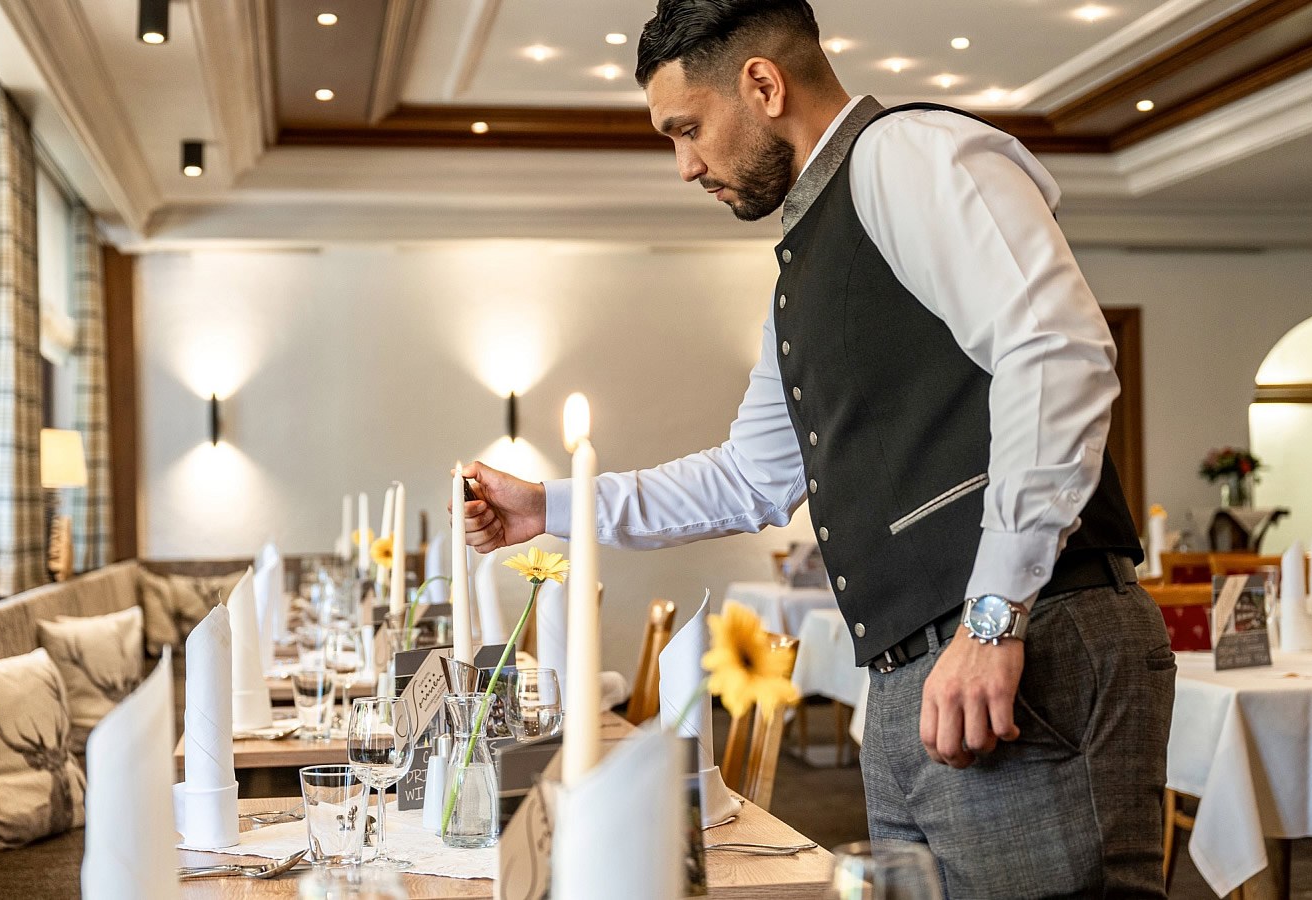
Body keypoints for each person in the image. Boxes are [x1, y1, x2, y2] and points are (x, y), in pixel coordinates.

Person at [458, 0, 1175, 895]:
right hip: (914, 676)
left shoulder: (907, 155)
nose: (685, 166)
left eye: (688, 129)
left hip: (1024, 645)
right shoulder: (804, 261)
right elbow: (749, 477)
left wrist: (994, 616)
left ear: (762, 84)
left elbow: (1056, 354)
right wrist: (548, 508)